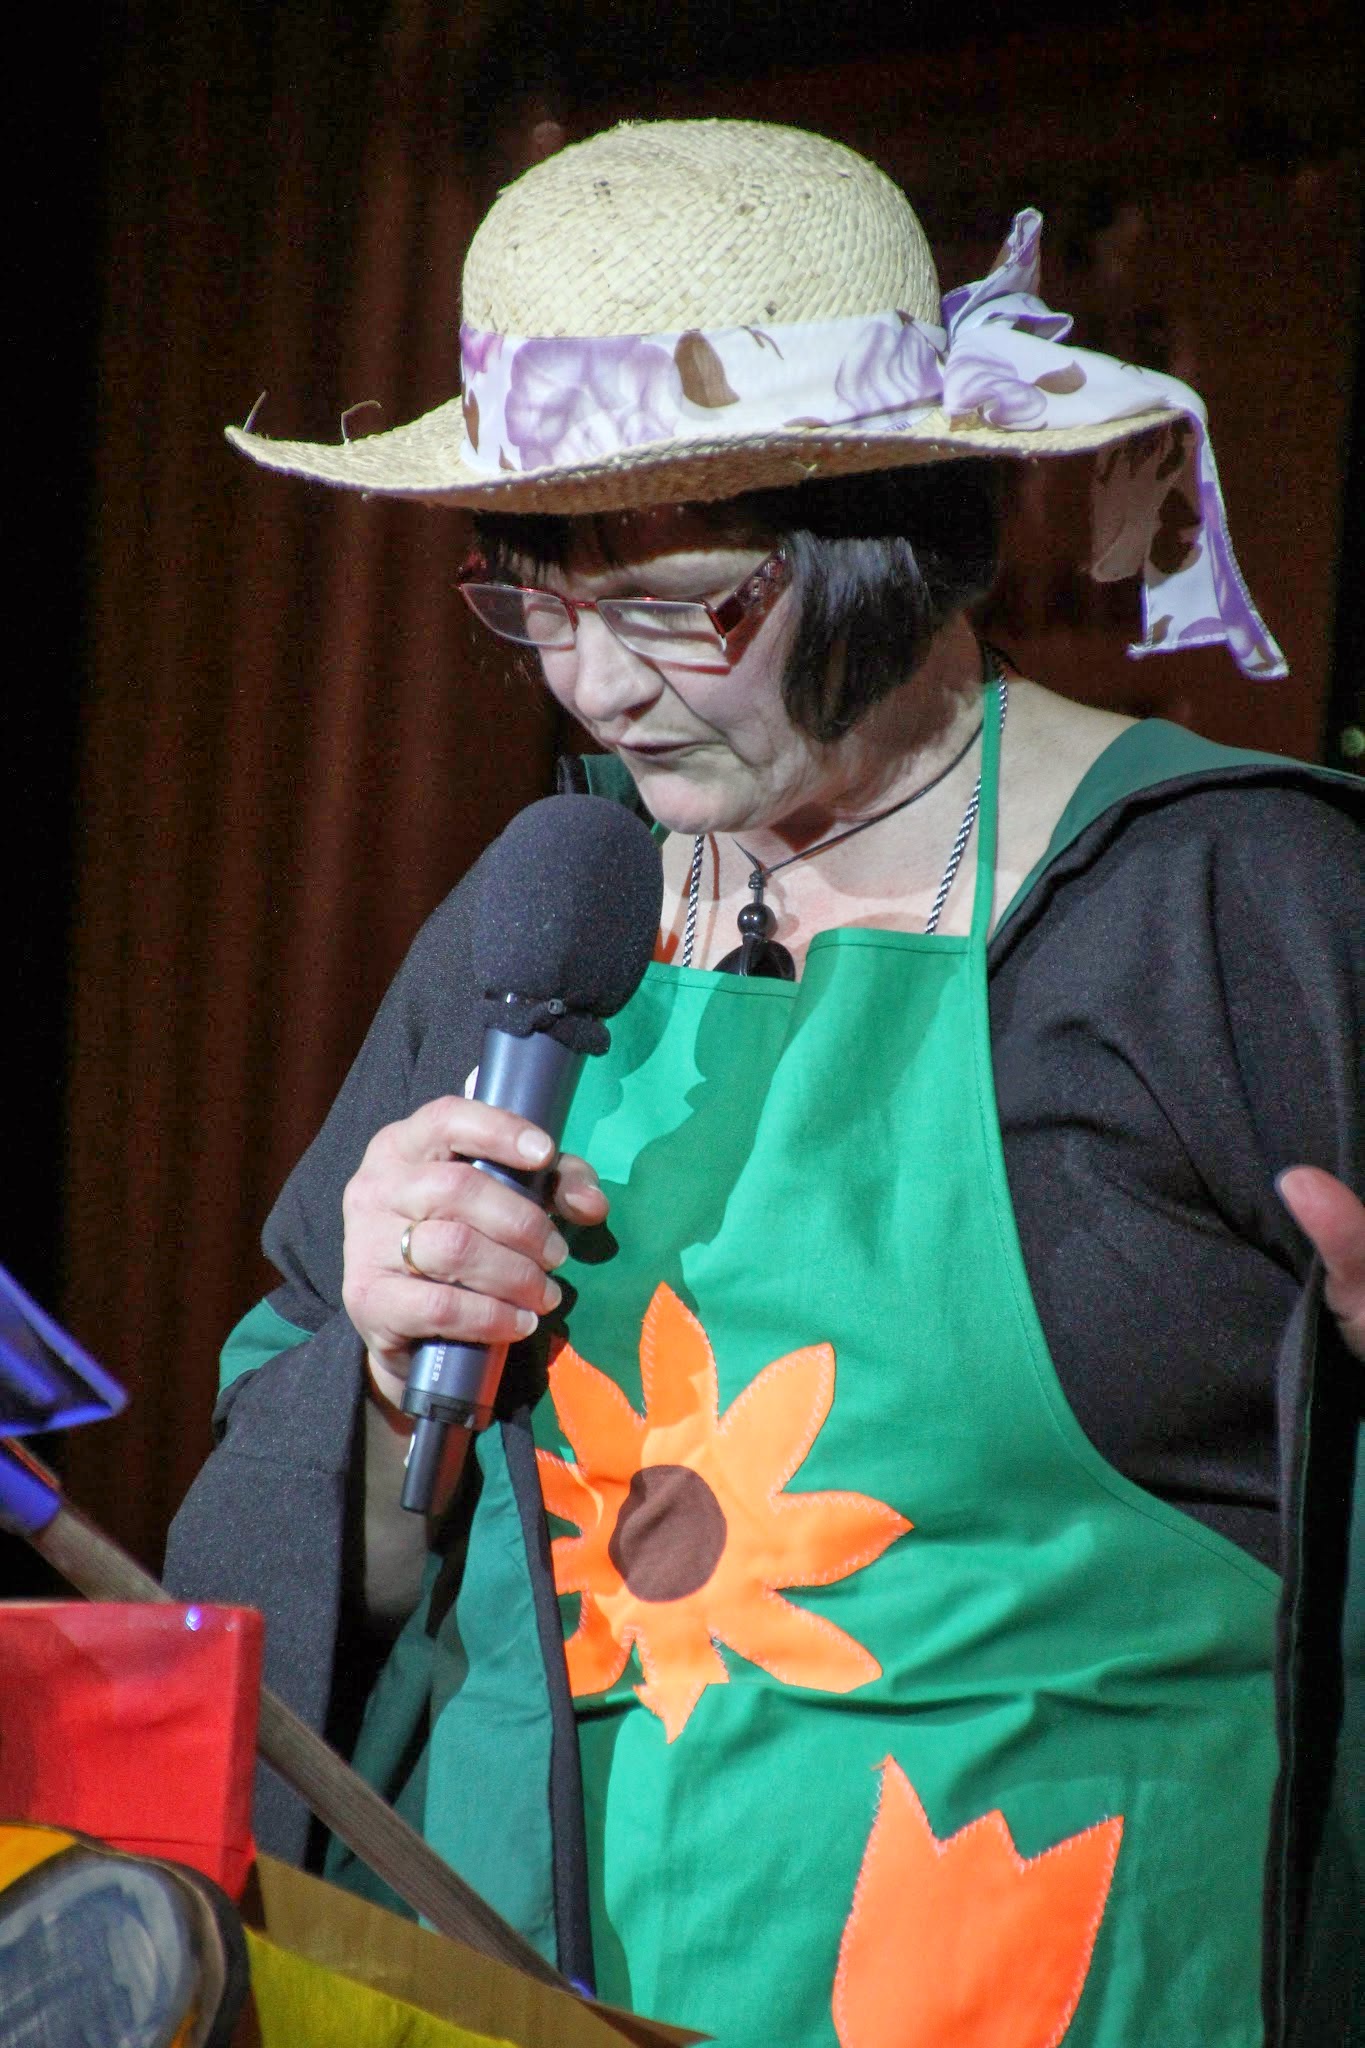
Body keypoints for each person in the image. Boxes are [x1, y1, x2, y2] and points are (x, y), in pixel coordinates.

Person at [165, 120, 1365, 2047]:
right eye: (537, 597)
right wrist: (382, 1381)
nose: (593, 684)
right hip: (511, 1993)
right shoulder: (546, 916)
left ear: (892, 546)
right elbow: (308, 1585)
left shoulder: (1229, 901)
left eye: (675, 604)